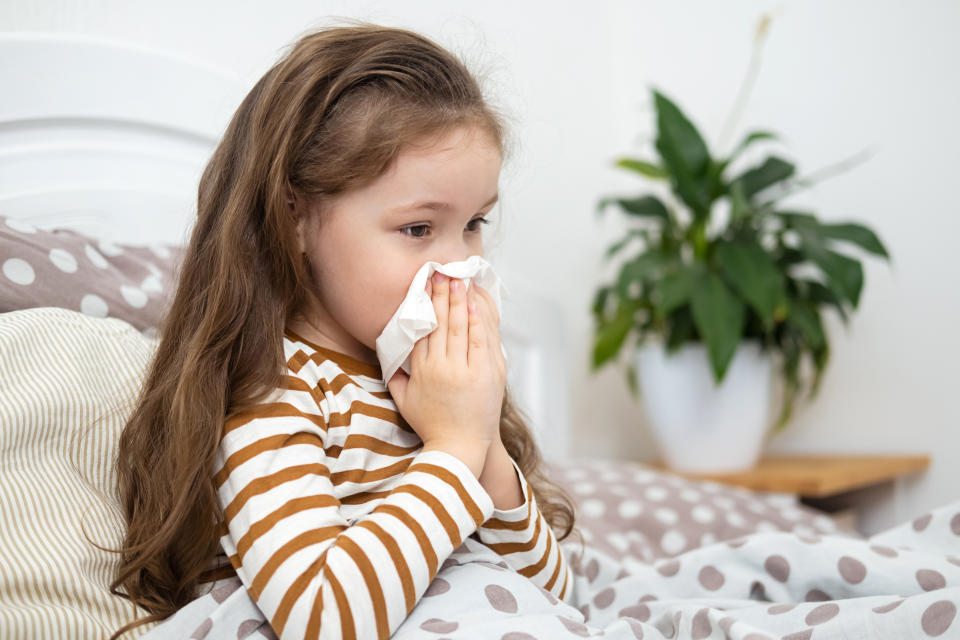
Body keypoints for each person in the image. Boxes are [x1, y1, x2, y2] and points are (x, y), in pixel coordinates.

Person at [109, 20, 577, 640]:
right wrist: (455, 448)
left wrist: (483, 437)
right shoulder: (273, 392)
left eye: (474, 224)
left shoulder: (426, 378)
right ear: (295, 218)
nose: (461, 265)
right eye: (418, 229)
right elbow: (323, 617)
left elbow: (552, 593)